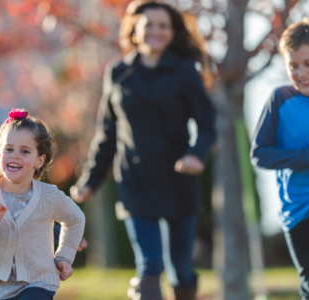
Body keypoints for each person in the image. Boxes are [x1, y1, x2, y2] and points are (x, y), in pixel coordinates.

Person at [70, 1, 215, 299]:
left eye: (163, 26)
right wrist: (89, 182)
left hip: (179, 181)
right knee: (149, 268)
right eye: (149, 24)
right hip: (136, 181)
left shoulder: (186, 71)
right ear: (135, 30)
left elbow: (208, 124)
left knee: (181, 271)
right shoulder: (118, 72)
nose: (156, 31)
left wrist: (196, 155)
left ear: (172, 32)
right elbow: (107, 134)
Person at [251, 17, 309, 299]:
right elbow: (259, 155)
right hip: (295, 209)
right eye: (293, 66)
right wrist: (304, 157)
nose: (301, 73)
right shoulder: (280, 100)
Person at [0, 108, 85, 300]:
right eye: (8, 149)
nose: (14, 155)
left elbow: (75, 219)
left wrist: (64, 256)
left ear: (40, 160)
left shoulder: (49, 195)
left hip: (38, 283)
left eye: (25, 151)